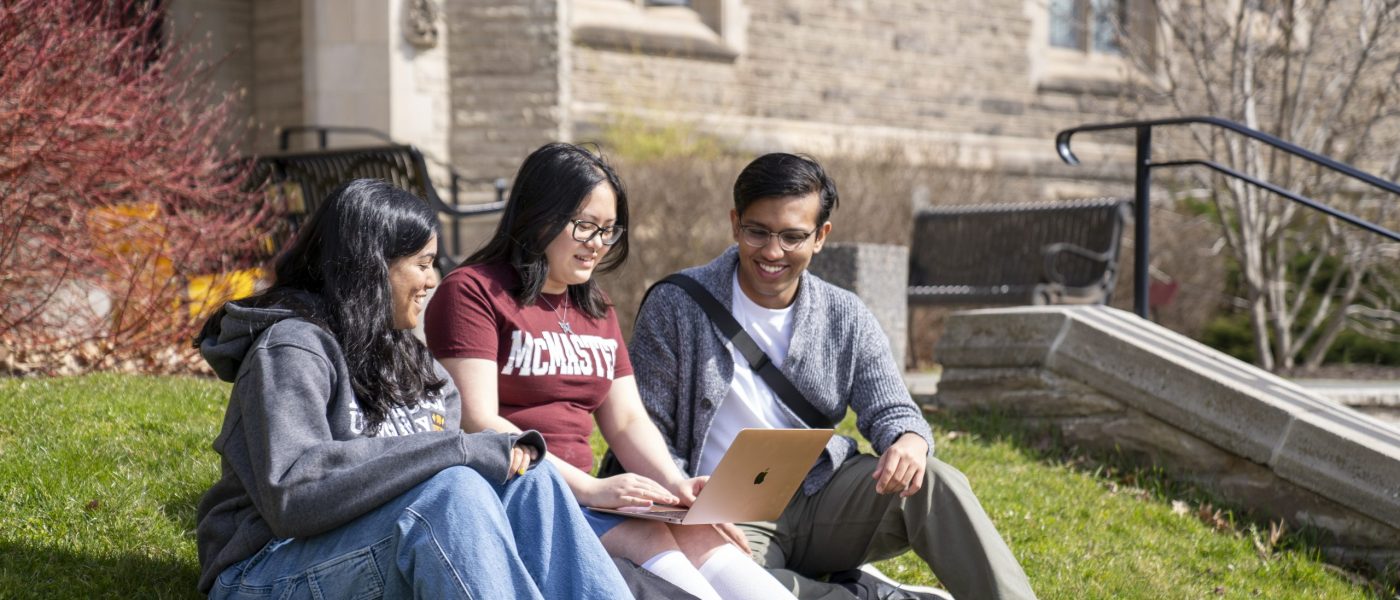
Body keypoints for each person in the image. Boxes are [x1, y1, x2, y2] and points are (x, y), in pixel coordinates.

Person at [193, 179, 631, 599]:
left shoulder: (416, 364)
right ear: (370, 265)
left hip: (372, 549)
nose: (432, 280)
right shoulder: (292, 348)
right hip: (268, 566)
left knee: (530, 480)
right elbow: (293, 492)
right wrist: (457, 450)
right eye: (421, 263)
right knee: (453, 492)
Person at [629, 153, 1039, 600]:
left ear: (820, 236)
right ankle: (872, 594)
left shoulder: (844, 314)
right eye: (758, 231)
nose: (772, 251)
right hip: (719, 510)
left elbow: (895, 409)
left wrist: (909, 441)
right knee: (727, 585)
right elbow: (646, 430)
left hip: (817, 491)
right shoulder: (676, 306)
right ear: (735, 224)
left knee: (936, 481)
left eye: (792, 237)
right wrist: (685, 500)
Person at [424, 142, 796, 600]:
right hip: (528, 496)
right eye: (585, 226)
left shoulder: (595, 306)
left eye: (608, 230)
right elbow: (478, 420)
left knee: (730, 561)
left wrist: (675, 486)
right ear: (539, 214)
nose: (598, 244)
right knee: (677, 570)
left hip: (597, 499)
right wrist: (590, 488)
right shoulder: (473, 292)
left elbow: (626, 419)